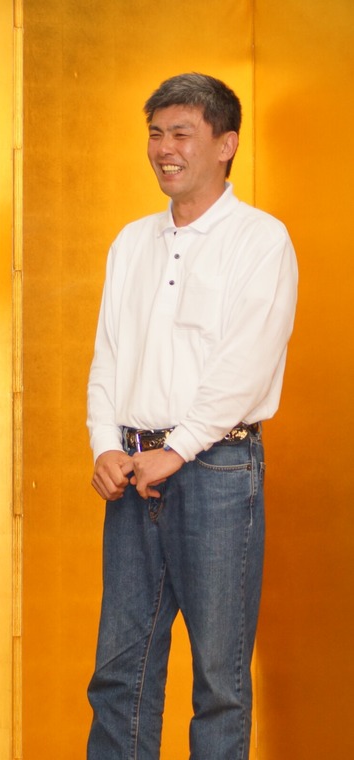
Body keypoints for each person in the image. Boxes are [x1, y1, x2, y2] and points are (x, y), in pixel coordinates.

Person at [85, 73, 298, 759]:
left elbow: (247, 364)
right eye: (155, 132)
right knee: (121, 673)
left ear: (226, 143)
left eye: (181, 133)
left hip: (218, 469)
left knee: (219, 680)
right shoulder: (130, 242)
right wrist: (103, 445)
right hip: (131, 470)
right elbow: (108, 356)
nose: (163, 148)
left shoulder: (260, 240)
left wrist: (177, 449)